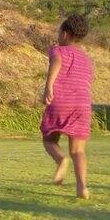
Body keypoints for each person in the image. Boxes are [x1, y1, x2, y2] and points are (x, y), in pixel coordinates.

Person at [41, 14, 94, 199]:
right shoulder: (87, 59)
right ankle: (82, 187)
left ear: (65, 34)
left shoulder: (58, 50)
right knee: (78, 151)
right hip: (82, 105)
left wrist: (48, 86)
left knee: (49, 140)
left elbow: (57, 62)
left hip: (61, 101)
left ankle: (61, 160)